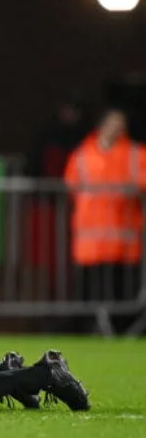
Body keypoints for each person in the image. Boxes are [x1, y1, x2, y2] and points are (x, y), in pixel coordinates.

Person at [63, 109, 146, 305]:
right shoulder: (82, 155)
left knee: (122, 291)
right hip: (91, 240)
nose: (115, 128)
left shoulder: (135, 154)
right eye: (112, 123)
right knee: (92, 290)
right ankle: (92, 327)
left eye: (120, 124)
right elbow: (71, 185)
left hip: (123, 240)